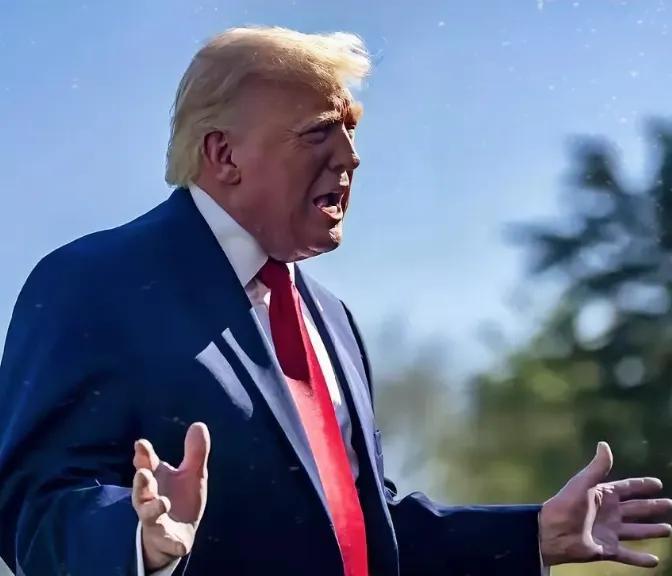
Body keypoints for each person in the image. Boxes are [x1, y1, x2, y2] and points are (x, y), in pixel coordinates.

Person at [0, 26, 670, 576]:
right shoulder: (94, 281)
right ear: (223, 154)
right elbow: (31, 505)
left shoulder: (332, 320)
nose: (350, 157)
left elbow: (361, 532)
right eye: (319, 131)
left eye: (350, 129)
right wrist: (138, 540)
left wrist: (534, 534)